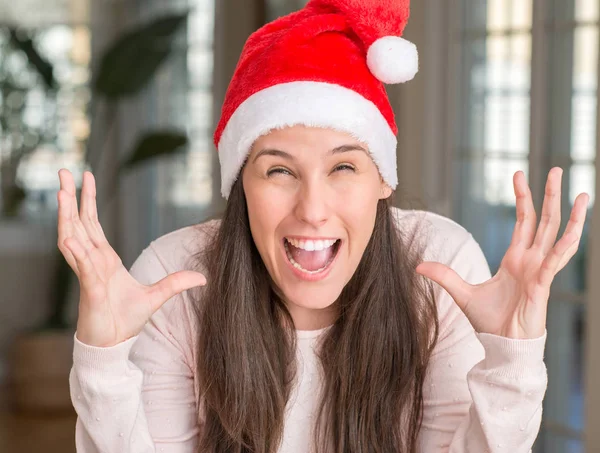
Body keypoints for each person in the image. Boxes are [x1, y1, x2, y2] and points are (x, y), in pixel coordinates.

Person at [58, 0, 589, 452]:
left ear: (384, 180)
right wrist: (103, 363)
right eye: (280, 170)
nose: (312, 209)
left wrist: (510, 363)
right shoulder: (174, 278)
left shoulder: (440, 265)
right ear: (241, 181)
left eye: (343, 167)